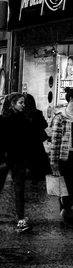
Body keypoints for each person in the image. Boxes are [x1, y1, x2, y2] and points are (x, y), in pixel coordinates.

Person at [0, 93, 36, 232]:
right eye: (21, 102)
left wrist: (27, 161)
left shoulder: (24, 119)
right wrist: (0, 160)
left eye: (24, 102)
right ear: (12, 104)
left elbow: (27, 141)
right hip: (4, 160)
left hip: (18, 159)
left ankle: (21, 219)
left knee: (19, 189)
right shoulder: (1, 120)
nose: (24, 105)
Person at [49, 89, 73, 226]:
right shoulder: (61, 117)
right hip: (66, 157)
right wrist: (53, 163)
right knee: (66, 188)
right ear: (70, 101)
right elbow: (55, 141)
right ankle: (66, 212)